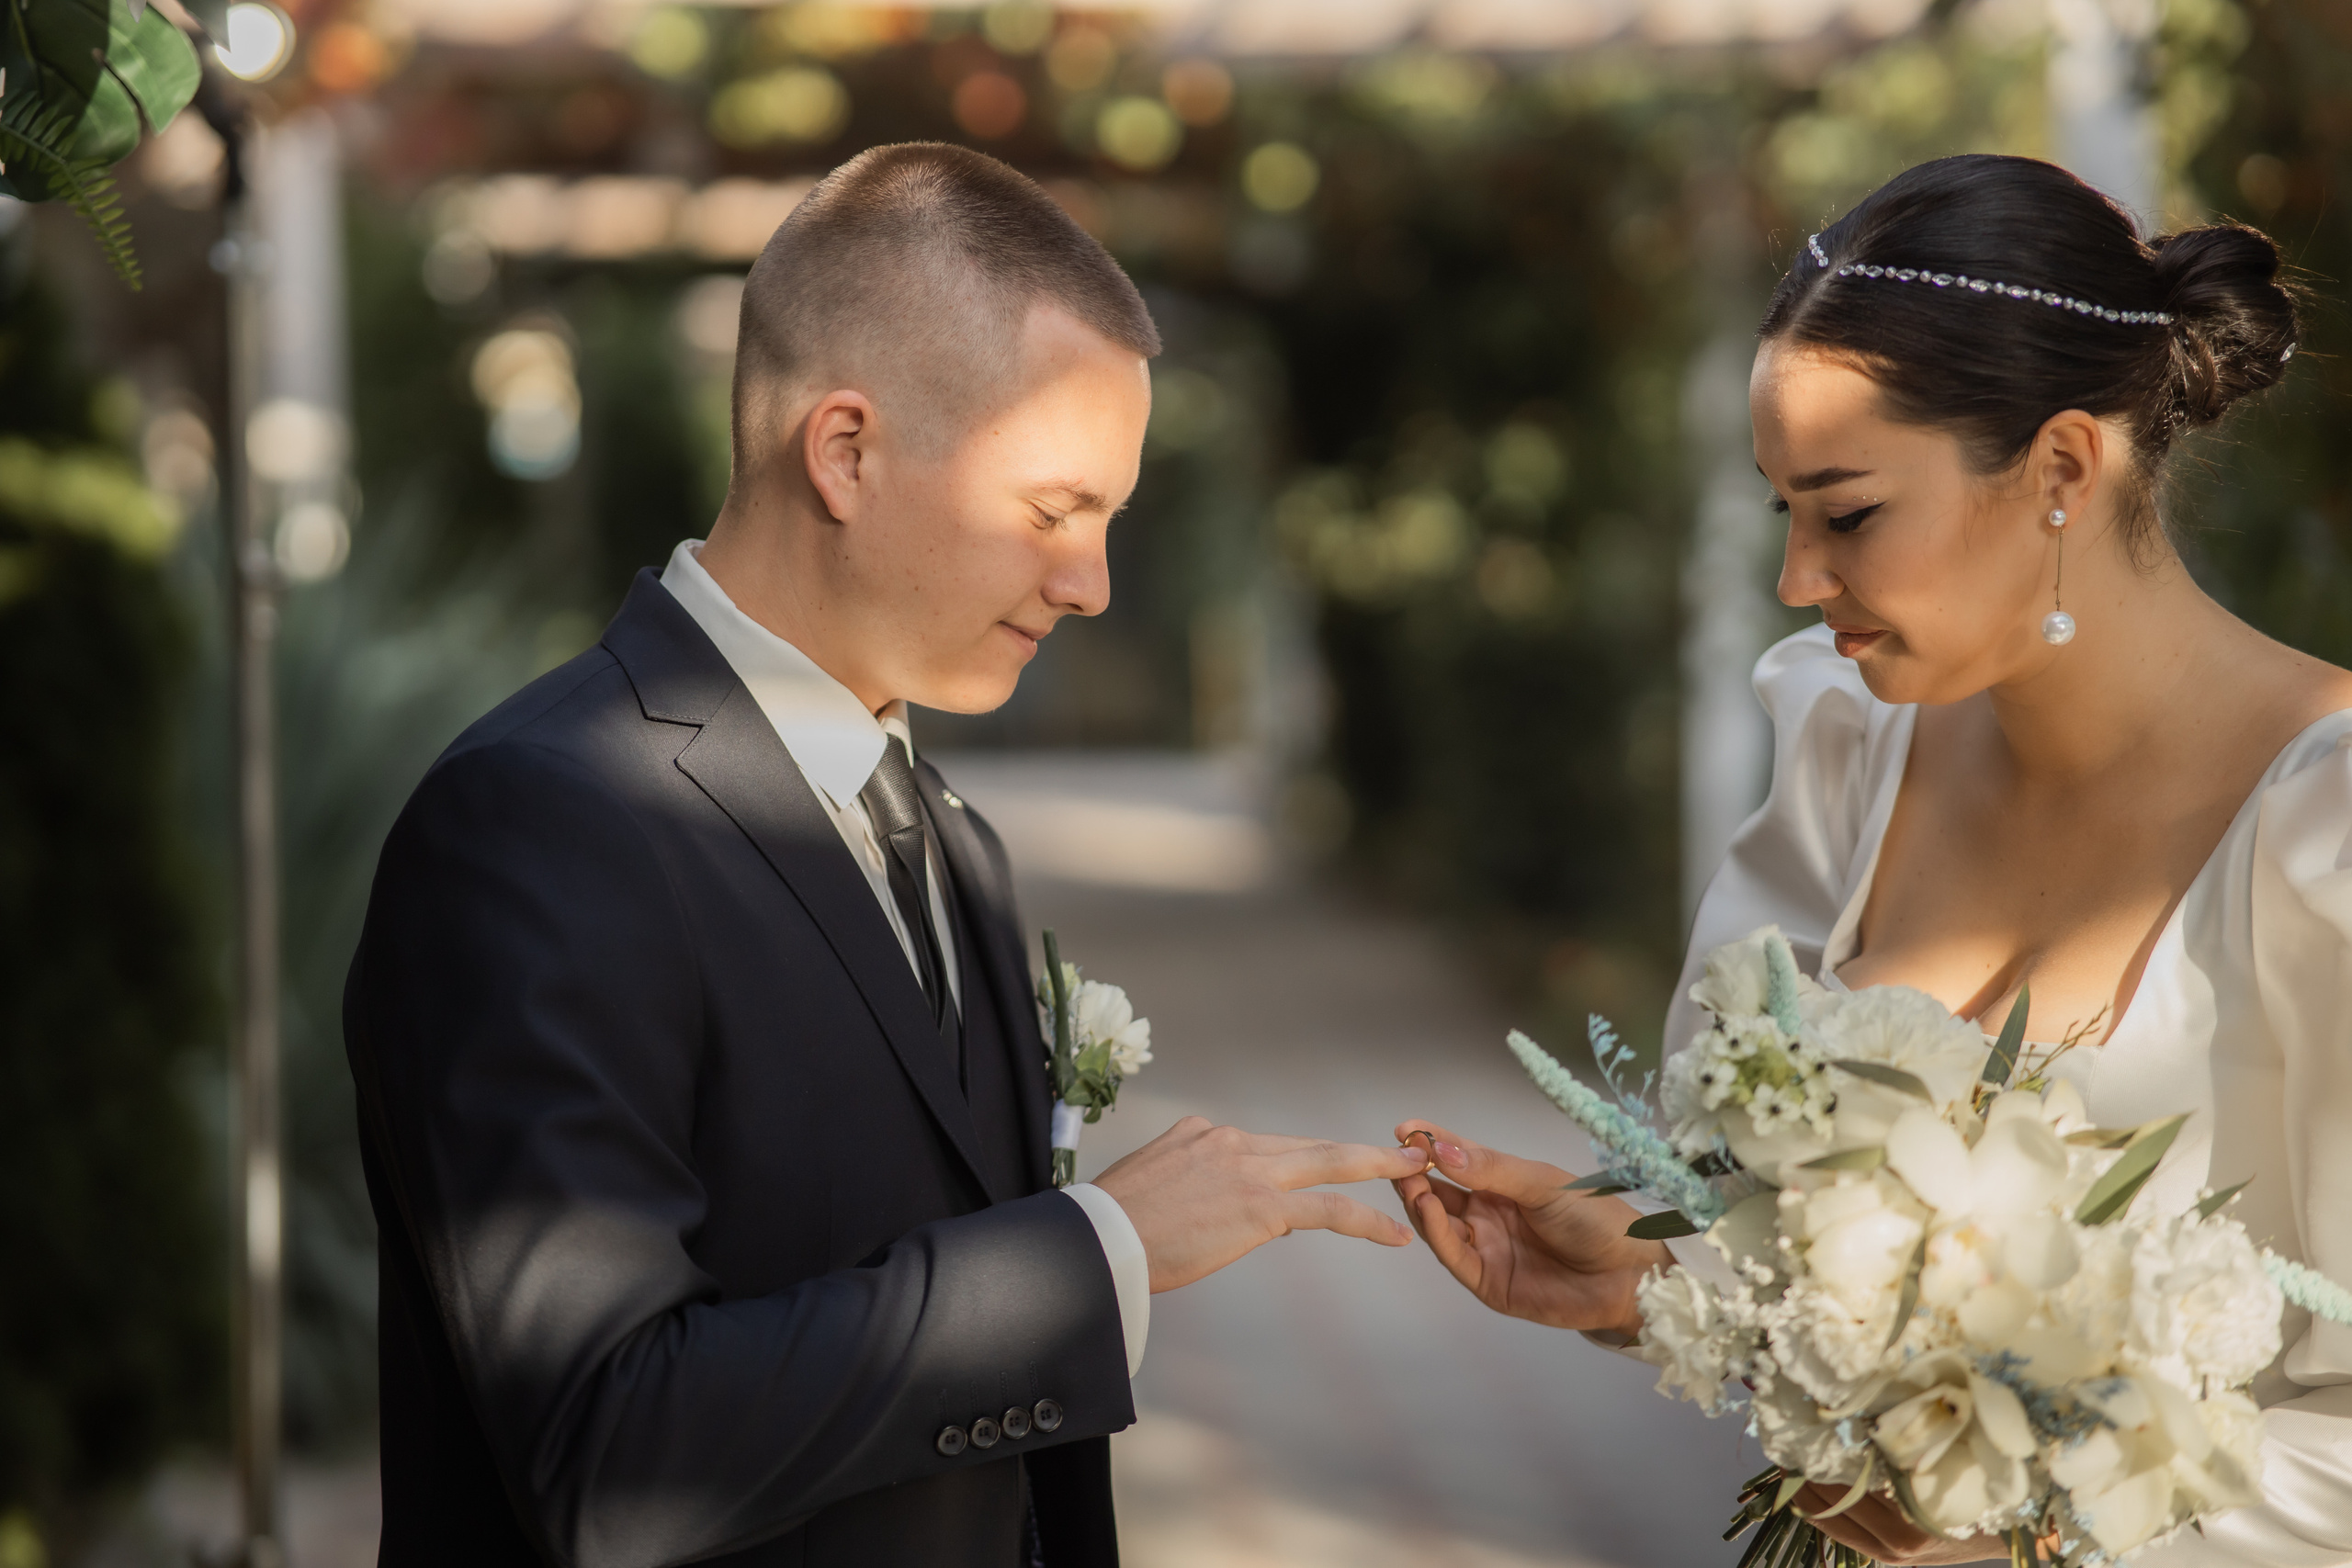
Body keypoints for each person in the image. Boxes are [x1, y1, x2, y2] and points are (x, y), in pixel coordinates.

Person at [345, 141, 1427, 1568]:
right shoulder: (538, 826)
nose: (1091, 582)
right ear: (845, 450)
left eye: (1110, 521)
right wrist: (1093, 1258)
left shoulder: (952, 840)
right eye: (1056, 512)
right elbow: (607, 1452)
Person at [1394, 153, 2350, 1565]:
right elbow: (1783, 1245)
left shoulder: (2323, 833)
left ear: (2063, 468)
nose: (1797, 575)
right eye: (1784, 508)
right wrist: (1652, 1274)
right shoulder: (1848, 743)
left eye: (1845, 513)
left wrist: (2026, 1518)